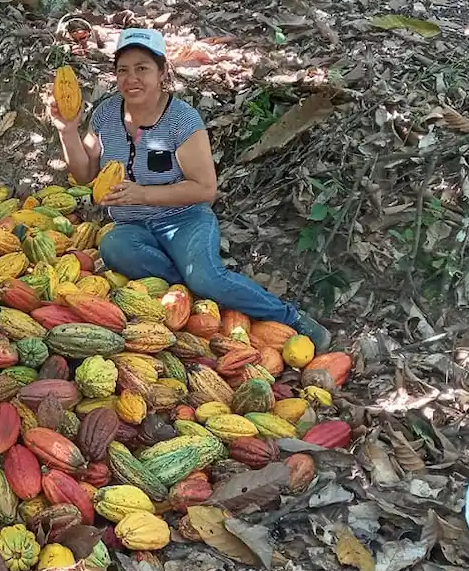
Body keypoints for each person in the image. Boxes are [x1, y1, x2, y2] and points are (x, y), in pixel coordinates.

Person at [47, 27, 332, 349]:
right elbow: (85, 173)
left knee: (205, 276)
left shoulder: (181, 120)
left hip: (183, 220)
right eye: (123, 70)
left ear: (162, 72)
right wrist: (67, 131)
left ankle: (290, 318)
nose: (131, 78)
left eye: (142, 68)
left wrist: (143, 194)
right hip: (133, 225)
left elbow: (205, 189)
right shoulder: (106, 114)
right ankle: (196, 293)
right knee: (113, 247)